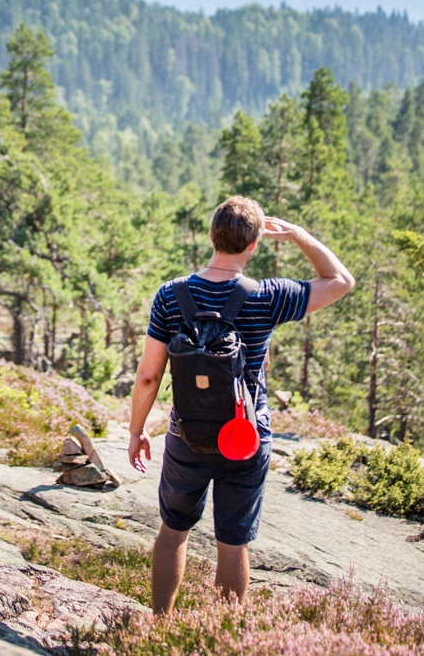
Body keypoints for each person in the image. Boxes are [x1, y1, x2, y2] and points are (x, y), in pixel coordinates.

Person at [127, 196, 355, 613]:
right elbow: (340, 280)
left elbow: (148, 375)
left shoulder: (170, 295)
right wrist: (299, 235)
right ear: (253, 245)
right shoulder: (268, 296)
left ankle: (159, 625)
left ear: (212, 237)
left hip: (186, 435)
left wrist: (136, 431)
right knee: (232, 544)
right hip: (245, 437)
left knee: (173, 531)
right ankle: (224, 636)